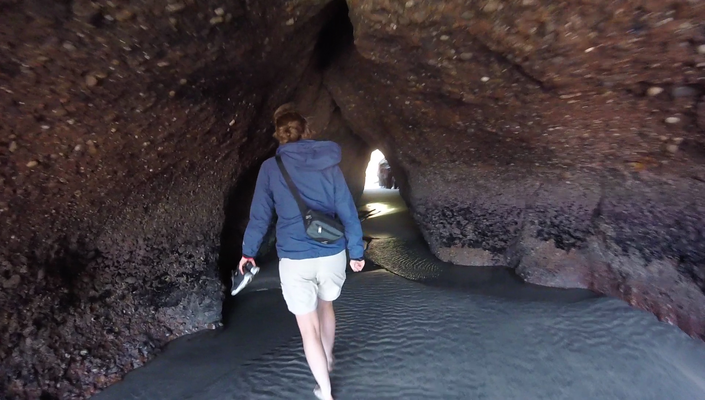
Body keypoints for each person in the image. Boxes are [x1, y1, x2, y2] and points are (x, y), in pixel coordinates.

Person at [239, 104, 365, 400]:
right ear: (307, 131)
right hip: (332, 251)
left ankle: (325, 389)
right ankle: (329, 358)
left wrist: (248, 252)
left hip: (295, 257)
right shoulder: (329, 165)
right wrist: (356, 252)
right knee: (327, 307)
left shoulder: (270, 169)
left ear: (279, 135)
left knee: (308, 328)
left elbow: (260, 216)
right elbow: (348, 211)